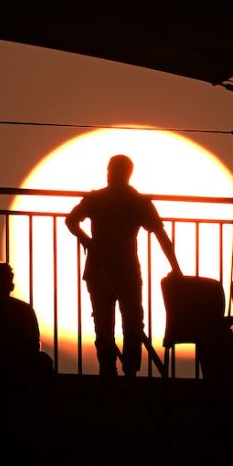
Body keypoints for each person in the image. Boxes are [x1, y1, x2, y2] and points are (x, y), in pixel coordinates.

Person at [65, 155, 182, 377]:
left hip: (107, 268)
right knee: (129, 322)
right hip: (116, 269)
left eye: (112, 171)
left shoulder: (101, 199)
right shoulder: (137, 202)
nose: (110, 175)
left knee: (112, 323)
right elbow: (161, 236)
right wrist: (175, 267)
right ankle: (125, 371)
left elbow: (71, 221)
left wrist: (87, 241)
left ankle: (111, 371)